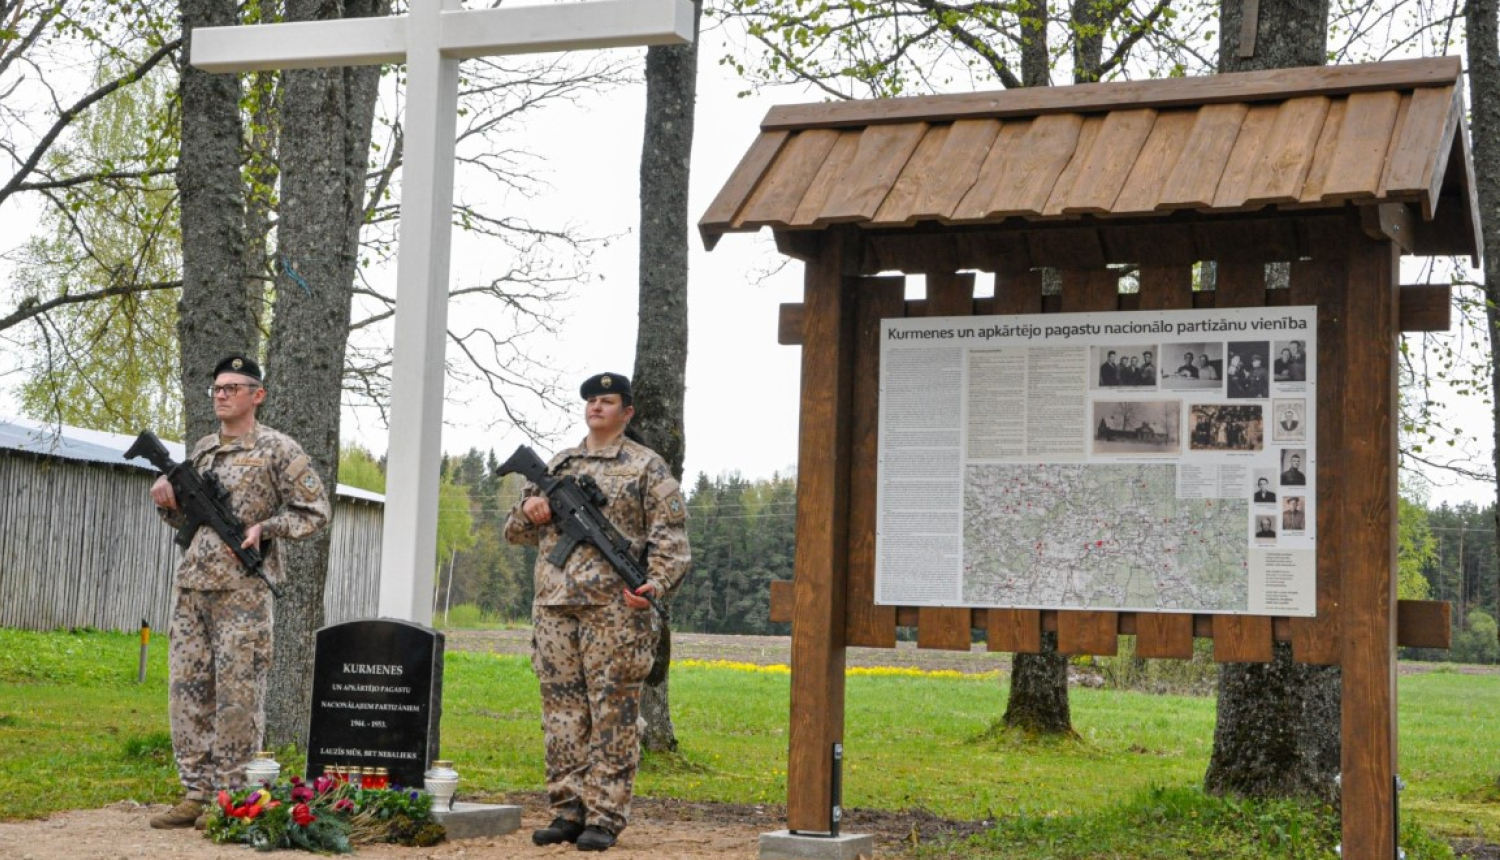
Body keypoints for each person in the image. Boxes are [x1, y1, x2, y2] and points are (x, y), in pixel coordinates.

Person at [504, 372, 691, 852]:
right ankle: (567, 811)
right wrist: (532, 510)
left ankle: (605, 817)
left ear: (627, 412)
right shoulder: (560, 463)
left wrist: (655, 584)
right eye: (591, 400)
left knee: (613, 713)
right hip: (553, 606)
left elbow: (671, 540)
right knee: (562, 714)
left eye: (607, 401)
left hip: (615, 611)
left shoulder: (647, 466)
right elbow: (516, 533)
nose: (596, 407)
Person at [147, 356, 331, 830]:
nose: (222, 394)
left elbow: (315, 512)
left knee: (238, 697)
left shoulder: (278, 450)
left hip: (242, 595)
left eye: (233, 387)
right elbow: (186, 520)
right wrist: (167, 499)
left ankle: (231, 799)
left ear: (257, 395)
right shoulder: (205, 450)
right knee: (187, 692)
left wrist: (264, 527)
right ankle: (195, 792)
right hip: (192, 589)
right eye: (217, 388)